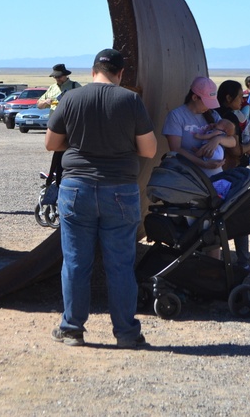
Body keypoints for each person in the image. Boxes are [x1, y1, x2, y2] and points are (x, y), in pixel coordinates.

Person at [45, 48, 157, 348]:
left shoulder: (70, 98)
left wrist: (79, 142)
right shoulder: (130, 100)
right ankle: (126, 333)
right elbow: (148, 150)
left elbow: (51, 143)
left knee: (76, 263)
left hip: (76, 189)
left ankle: (71, 329)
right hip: (119, 189)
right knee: (120, 264)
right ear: (120, 74)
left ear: (93, 70)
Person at [214, 79, 250, 276]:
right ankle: (242, 263)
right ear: (228, 98)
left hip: (222, 172)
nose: (242, 99)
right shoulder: (230, 118)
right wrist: (248, 148)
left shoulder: (216, 114)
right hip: (232, 174)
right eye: (239, 95)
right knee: (242, 216)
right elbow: (233, 150)